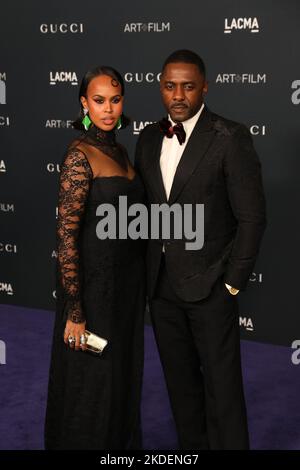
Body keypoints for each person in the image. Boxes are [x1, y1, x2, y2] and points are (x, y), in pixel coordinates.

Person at [134, 50, 267, 450]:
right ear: (161, 87)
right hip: (162, 289)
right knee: (181, 386)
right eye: (171, 86)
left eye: (188, 86)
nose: (179, 95)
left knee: (223, 391)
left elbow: (252, 218)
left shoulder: (230, 136)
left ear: (204, 87)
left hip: (211, 287)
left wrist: (231, 285)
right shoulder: (148, 137)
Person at [45, 66, 146, 450]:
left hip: (126, 288)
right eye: (99, 101)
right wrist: (75, 310)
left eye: (115, 100)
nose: (108, 109)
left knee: (121, 374)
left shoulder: (119, 150)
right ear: (84, 103)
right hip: (93, 289)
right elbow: (66, 236)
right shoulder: (78, 155)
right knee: (91, 381)